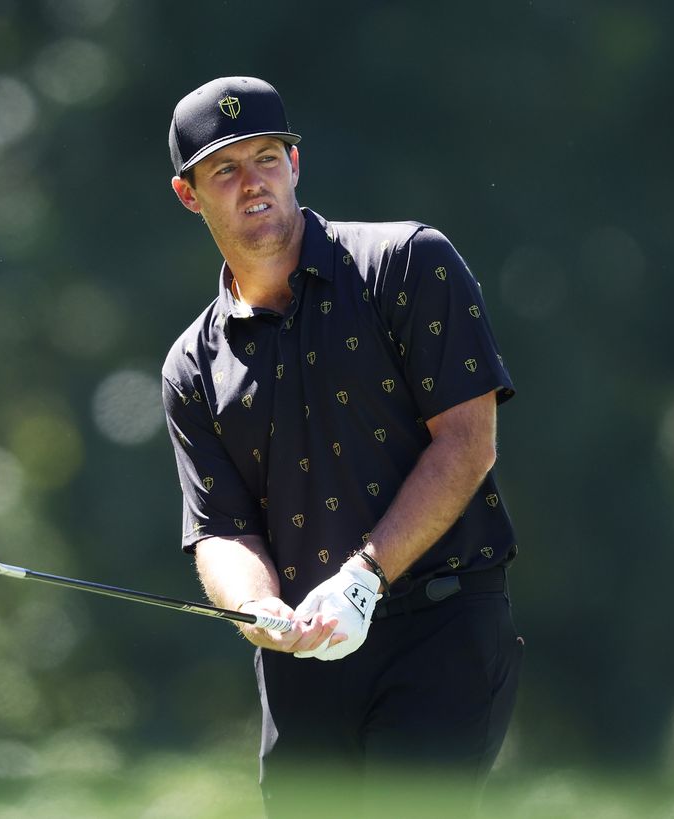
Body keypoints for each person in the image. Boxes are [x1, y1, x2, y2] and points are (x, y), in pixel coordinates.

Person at [161, 77, 524, 815]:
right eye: (224, 170)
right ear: (189, 195)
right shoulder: (191, 365)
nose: (252, 182)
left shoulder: (408, 263)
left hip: (440, 627)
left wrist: (364, 576)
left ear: (296, 164)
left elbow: (466, 442)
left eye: (266, 157)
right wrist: (255, 605)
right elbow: (221, 529)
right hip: (304, 660)